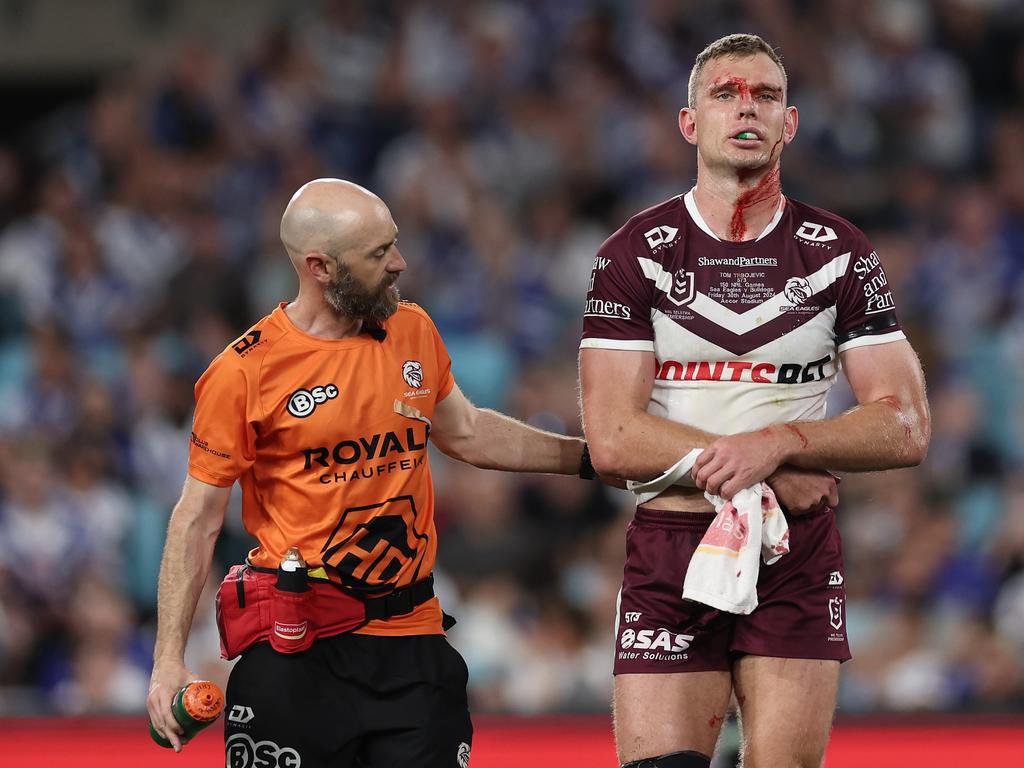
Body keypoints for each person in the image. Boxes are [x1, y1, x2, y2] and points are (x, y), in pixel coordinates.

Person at [147, 178, 592, 767]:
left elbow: (467, 431)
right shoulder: (243, 372)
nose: (400, 263)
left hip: (414, 647)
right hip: (297, 653)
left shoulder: (412, 330)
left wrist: (593, 458)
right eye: (379, 254)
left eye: (394, 244)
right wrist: (167, 660)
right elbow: (197, 519)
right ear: (320, 267)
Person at [579, 34, 930, 768]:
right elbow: (611, 440)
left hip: (794, 555)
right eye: (726, 94)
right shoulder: (634, 254)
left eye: (765, 96)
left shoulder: (839, 252)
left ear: (790, 123)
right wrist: (763, 463)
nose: (747, 108)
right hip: (673, 547)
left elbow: (906, 425)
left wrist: (780, 444)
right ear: (689, 123)